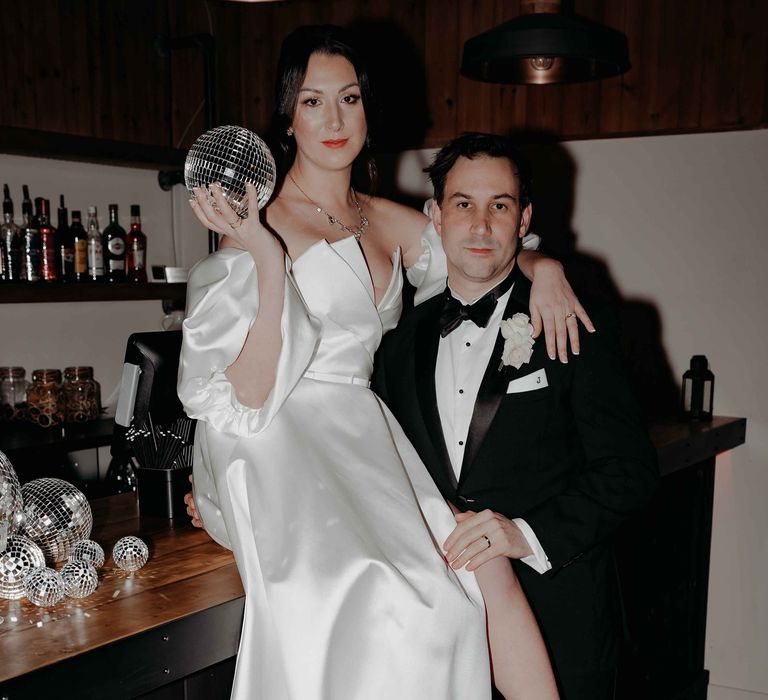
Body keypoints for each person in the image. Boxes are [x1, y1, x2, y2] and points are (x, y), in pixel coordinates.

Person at [180, 25, 583, 700]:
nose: (333, 120)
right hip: (275, 432)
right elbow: (237, 397)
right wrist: (268, 257)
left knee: (470, 580)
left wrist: (546, 267)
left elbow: (485, 246)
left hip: (362, 429)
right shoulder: (258, 221)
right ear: (287, 114)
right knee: (373, 594)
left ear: (369, 108)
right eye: (312, 102)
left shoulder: (389, 220)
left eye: (349, 99)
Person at [372, 132, 660, 700]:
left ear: (523, 217)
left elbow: (629, 473)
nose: (480, 226)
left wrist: (523, 535)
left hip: (562, 624)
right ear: (434, 216)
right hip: (440, 629)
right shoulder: (394, 342)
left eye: (499, 205)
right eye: (463, 204)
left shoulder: (572, 319)